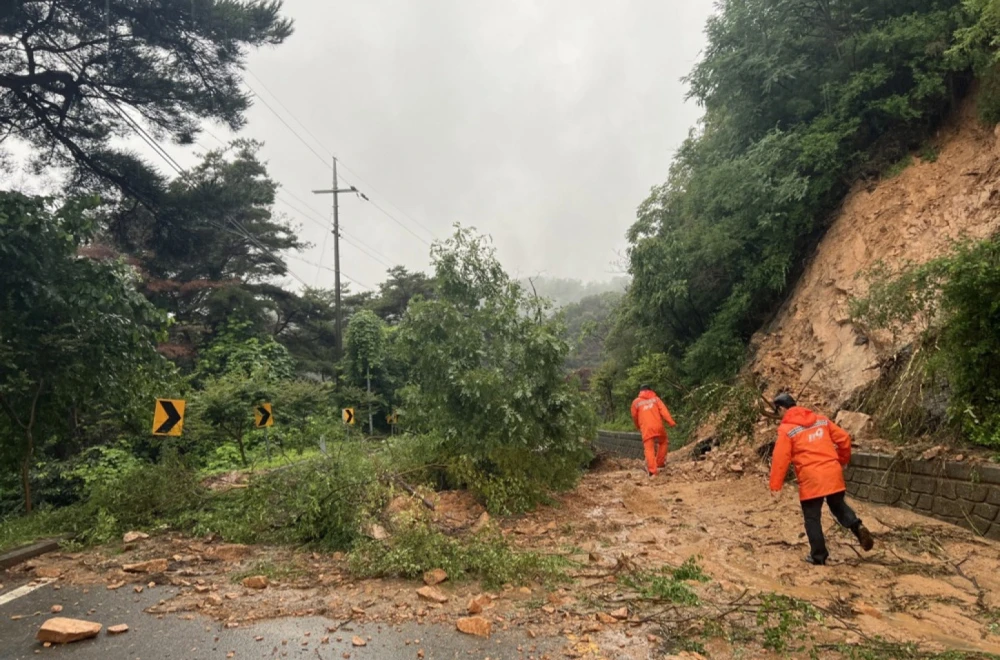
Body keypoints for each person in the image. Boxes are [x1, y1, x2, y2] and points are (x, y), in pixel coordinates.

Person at [770, 392, 875, 565]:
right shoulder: (821, 420)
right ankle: (857, 526)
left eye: (778, 411)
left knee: (812, 518)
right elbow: (844, 439)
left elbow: (780, 458)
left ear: (782, 408)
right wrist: (842, 460)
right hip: (832, 472)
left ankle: (818, 556)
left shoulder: (787, 429)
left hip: (811, 479)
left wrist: (775, 484)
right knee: (838, 506)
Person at [631, 385, 676, 478]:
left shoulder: (636, 402)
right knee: (663, 442)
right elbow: (664, 411)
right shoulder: (656, 399)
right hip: (658, 426)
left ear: (640, 391)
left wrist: (637, 426)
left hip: (646, 428)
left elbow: (634, 416)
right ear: (650, 390)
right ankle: (659, 463)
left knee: (649, 449)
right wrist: (671, 422)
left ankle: (652, 471)